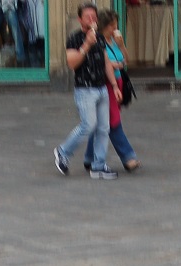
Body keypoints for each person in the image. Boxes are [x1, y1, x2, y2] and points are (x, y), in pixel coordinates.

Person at [53, 2, 123, 181]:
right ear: (80, 19)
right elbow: (71, 63)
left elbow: (106, 62)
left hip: (101, 88)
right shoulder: (75, 38)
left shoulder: (99, 37)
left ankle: (98, 165)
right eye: (88, 17)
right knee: (88, 125)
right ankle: (63, 151)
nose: (92, 20)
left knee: (103, 128)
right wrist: (86, 45)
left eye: (94, 16)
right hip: (85, 89)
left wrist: (114, 86)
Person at [83, 10, 139, 174]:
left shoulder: (114, 40)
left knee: (101, 121)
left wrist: (121, 45)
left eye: (116, 24)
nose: (115, 27)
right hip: (107, 84)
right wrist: (115, 65)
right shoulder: (99, 42)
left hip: (118, 82)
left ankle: (89, 157)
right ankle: (128, 157)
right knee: (113, 121)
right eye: (112, 25)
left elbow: (126, 59)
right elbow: (102, 63)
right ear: (105, 26)